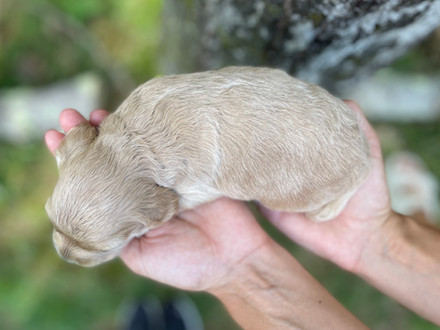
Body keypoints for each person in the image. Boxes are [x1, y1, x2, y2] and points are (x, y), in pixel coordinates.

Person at [45, 101, 440, 329]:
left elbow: (162, 205)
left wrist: (239, 271)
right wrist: (377, 236)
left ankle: (403, 225)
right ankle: (403, 230)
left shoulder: (159, 200)